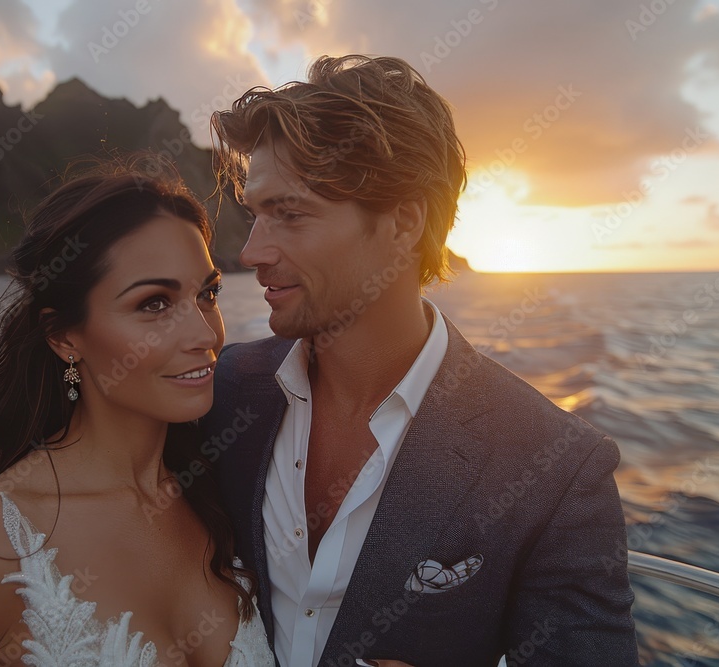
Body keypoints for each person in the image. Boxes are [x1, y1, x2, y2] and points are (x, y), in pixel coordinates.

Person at [203, 55, 639, 666]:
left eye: (290, 214)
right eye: (255, 214)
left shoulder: (557, 468)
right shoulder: (221, 391)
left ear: (404, 221)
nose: (251, 252)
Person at [0, 159, 275, 666]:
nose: (204, 335)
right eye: (154, 304)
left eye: (208, 294)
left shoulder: (228, 493)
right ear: (63, 336)